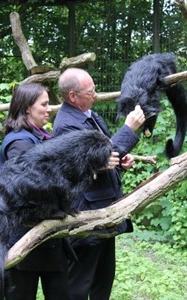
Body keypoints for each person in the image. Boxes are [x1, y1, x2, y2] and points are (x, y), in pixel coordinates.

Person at [53, 67, 145, 300]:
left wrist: (119, 162)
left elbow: (104, 158)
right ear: (73, 96)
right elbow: (97, 156)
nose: (96, 95)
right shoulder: (67, 125)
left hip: (105, 212)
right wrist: (129, 129)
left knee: (103, 280)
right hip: (87, 215)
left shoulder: (90, 116)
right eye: (90, 91)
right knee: (80, 283)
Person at [0, 82, 70, 300]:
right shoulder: (19, 142)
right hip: (23, 238)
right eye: (44, 104)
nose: (49, 109)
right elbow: (35, 186)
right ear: (28, 108)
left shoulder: (40, 137)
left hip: (50, 239)